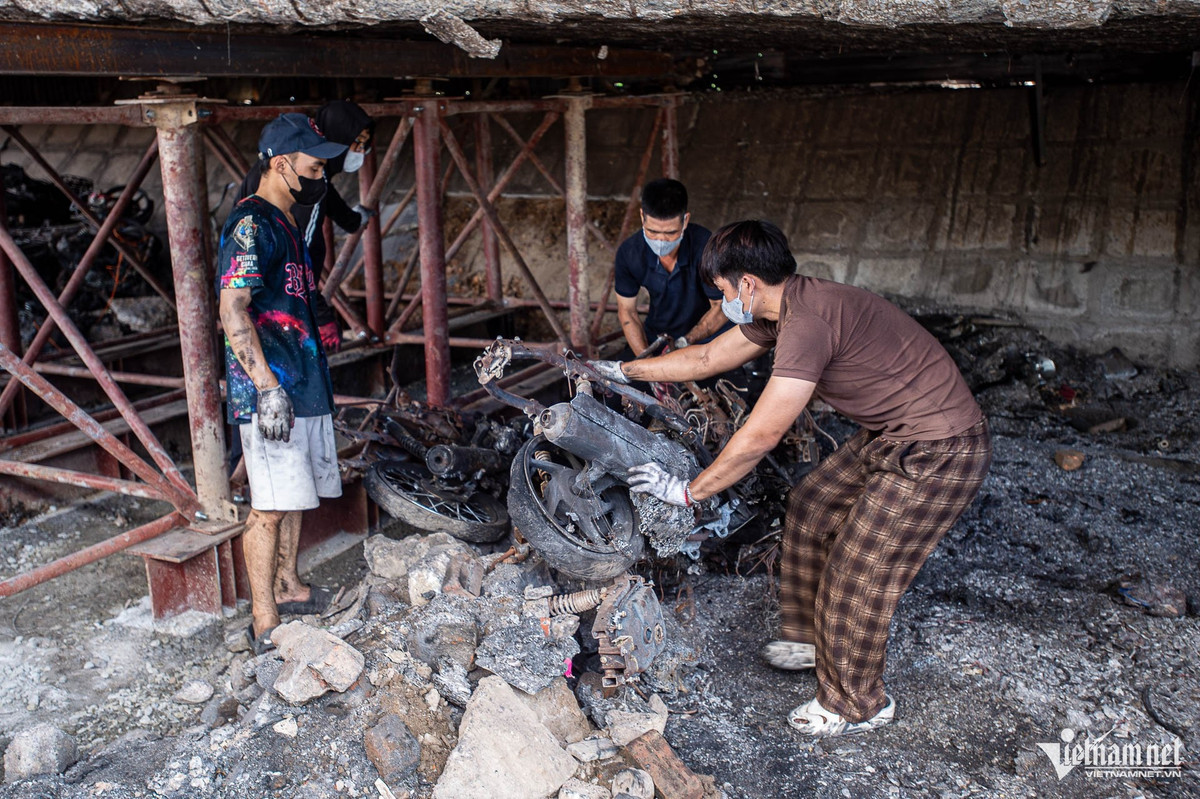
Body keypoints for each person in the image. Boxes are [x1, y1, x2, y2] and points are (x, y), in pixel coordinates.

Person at [595, 220, 991, 738]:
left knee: (858, 571)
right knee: (812, 505)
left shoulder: (807, 324)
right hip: (892, 433)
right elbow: (708, 357)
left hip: (941, 448)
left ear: (749, 285)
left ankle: (855, 704)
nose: (722, 299)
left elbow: (760, 435)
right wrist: (623, 372)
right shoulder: (782, 310)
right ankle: (812, 640)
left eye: (722, 290)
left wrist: (689, 491)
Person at [218, 113, 347, 650]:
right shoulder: (252, 225)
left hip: (303, 383)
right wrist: (266, 387)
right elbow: (232, 308)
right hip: (273, 390)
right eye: (315, 166)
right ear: (280, 164)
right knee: (267, 506)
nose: (323, 176)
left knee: (293, 495)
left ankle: (289, 587)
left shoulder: (287, 222)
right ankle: (265, 623)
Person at [235, 100, 374, 354]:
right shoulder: (307, 181)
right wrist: (319, 314)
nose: (361, 151)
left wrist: (352, 220)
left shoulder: (286, 172)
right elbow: (297, 255)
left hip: (262, 290)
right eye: (358, 142)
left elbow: (326, 195)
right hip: (280, 304)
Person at [613, 178, 728, 356]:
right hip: (658, 335)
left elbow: (720, 306)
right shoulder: (630, 253)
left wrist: (684, 343)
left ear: (685, 220)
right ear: (642, 217)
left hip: (707, 336)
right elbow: (627, 311)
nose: (661, 240)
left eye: (670, 233)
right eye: (653, 231)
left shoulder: (707, 247)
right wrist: (646, 361)